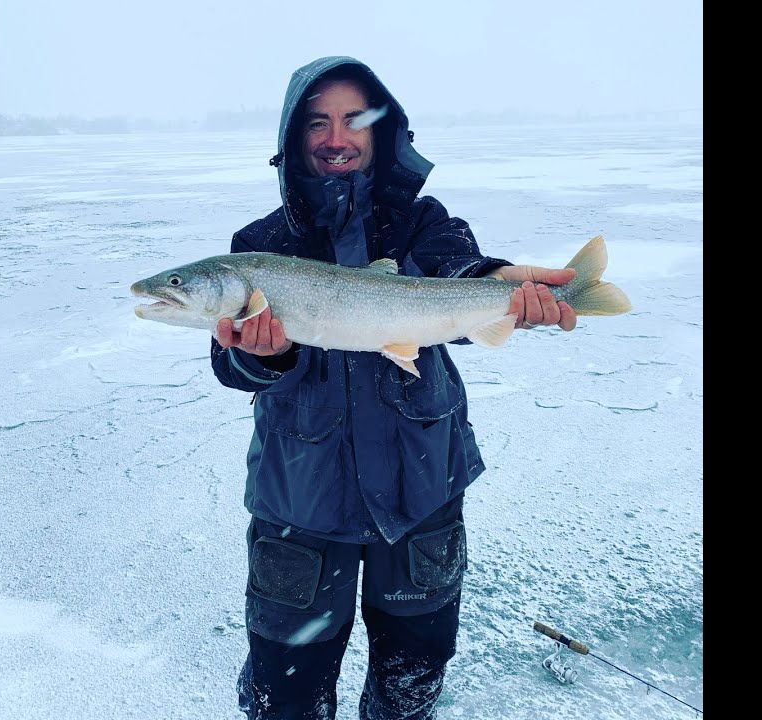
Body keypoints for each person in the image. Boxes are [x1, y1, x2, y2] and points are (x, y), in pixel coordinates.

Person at [209, 56, 578, 720]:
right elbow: (229, 365)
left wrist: (499, 282)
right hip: (300, 503)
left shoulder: (421, 222)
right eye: (316, 122)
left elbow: (456, 267)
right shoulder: (262, 244)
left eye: (353, 119)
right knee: (284, 697)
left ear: (381, 131)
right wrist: (268, 357)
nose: (335, 137)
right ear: (295, 139)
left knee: (411, 685)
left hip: (421, 492)